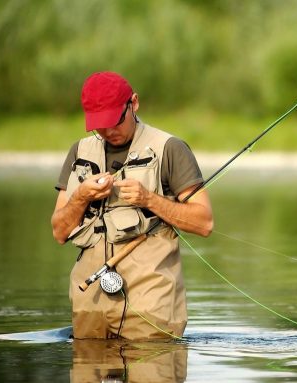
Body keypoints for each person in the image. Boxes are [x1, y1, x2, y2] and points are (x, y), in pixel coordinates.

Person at [51, 71, 213, 340]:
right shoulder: (78, 152)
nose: (109, 131)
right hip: (89, 304)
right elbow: (59, 232)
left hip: (151, 306)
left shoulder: (170, 149)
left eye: (115, 121)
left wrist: (149, 199)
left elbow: (204, 223)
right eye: (99, 125)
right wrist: (80, 196)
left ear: (134, 103)